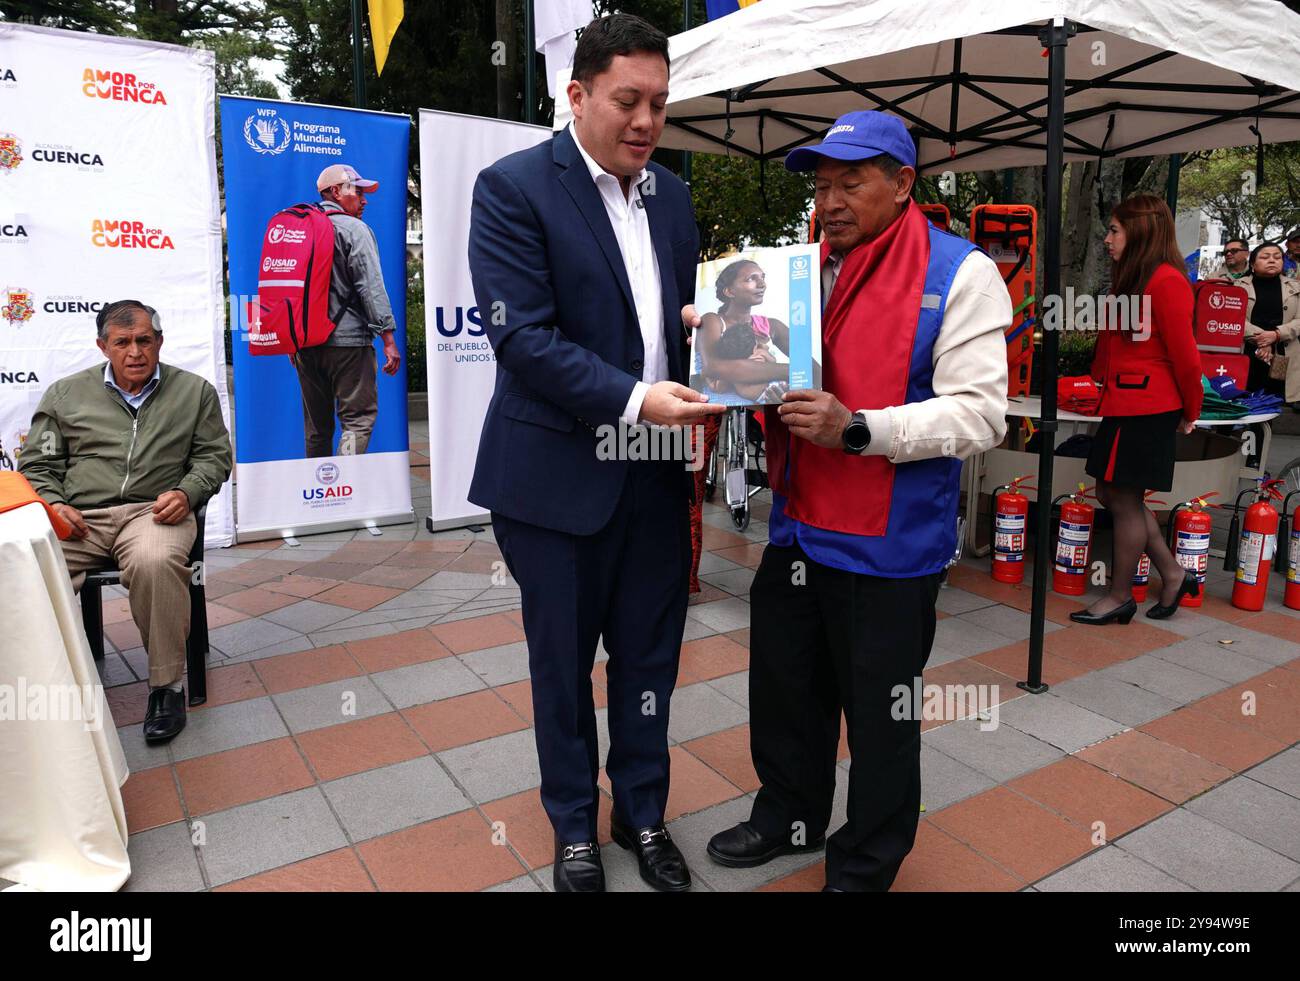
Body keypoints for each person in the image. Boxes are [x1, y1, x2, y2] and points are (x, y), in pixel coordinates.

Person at [705, 110, 1012, 891]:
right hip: (801, 529)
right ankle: (788, 814)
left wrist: (859, 428)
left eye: (851, 181)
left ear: (903, 183)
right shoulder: (795, 272)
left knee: (882, 721)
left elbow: (981, 413)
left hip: (889, 545)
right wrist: (713, 348)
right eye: (822, 183)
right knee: (785, 694)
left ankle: (867, 861)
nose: (831, 200)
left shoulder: (960, 273)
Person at [467, 13, 724, 893]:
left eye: (659, 101)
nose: (648, 120)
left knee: (651, 662)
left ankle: (642, 815)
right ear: (576, 96)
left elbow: (675, 327)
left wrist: (716, 345)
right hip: (554, 483)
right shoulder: (512, 188)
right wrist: (636, 395)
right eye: (628, 100)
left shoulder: (676, 198)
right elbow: (523, 340)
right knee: (564, 667)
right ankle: (574, 826)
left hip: (657, 475)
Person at [18, 300, 232, 743]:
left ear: (159, 342)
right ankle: (38, 684)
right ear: (103, 346)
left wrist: (186, 493)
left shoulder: (194, 392)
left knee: (156, 562)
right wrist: (54, 504)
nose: (135, 352)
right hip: (80, 518)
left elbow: (214, 456)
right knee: (22, 560)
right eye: (122, 343)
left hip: (153, 512)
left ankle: (166, 687)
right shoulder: (65, 394)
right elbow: (37, 464)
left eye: (144, 341)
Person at [1073, 195, 1204, 627]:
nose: (1108, 239)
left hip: (1148, 407)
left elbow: (1187, 356)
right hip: (1126, 403)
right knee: (1112, 493)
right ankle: (1173, 572)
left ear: (1141, 230)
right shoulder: (1136, 277)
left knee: (1124, 498)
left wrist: (1192, 408)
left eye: (1114, 230)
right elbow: (1113, 343)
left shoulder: (1166, 281)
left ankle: (1119, 596)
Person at [290, 163, 401, 458]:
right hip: (349, 344)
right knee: (357, 422)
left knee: (316, 427)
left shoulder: (298, 228)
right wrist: (388, 339)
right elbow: (371, 287)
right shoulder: (355, 230)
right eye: (358, 191)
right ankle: (345, 486)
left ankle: (317, 492)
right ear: (336, 191)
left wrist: (291, 340)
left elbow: (287, 290)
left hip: (305, 344)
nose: (364, 199)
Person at [697, 259, 791, 403]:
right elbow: (713, 367)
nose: (762, 284)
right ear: (729, 291)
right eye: (751, 278)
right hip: (722, 414)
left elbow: (812, 369)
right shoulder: (712, 321)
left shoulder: (772, 326)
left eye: (762, 277)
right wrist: (792, 372)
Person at [1244, 242, 1300, 403]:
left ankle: (1263, 429)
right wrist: (1263, 340)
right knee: (1239, 394)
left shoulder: (1296, 288)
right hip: (1247, 352)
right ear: (1253, 263)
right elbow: (1233, 320)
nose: (1272, 260)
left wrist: (1276, 335)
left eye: (1277, 257)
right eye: (1265, 257)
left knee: (1272, 399)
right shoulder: (1238, 287)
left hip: (1281, 354)